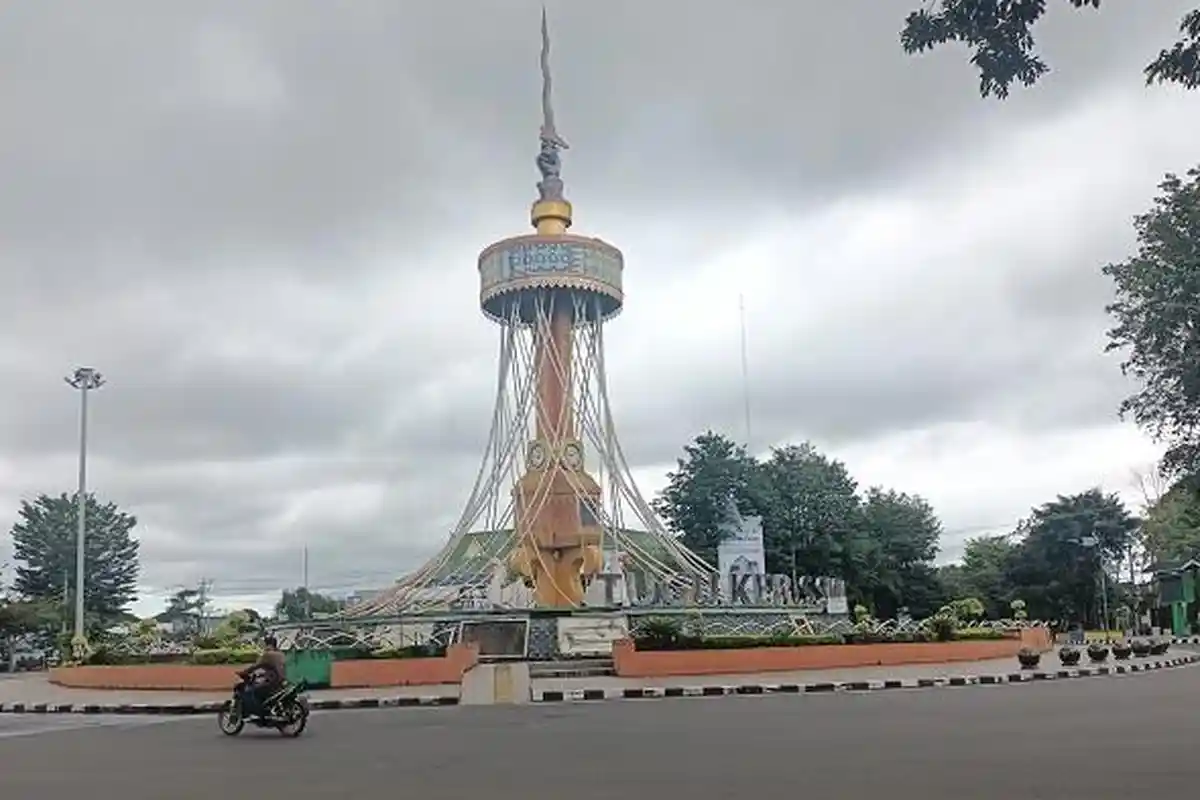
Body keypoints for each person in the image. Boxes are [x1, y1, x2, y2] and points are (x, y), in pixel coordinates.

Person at [238, 635, 286, 715]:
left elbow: (256, 666)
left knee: (251, 691)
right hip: (281, 681)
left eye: (265, 644)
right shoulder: (281, 654)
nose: (264, 646)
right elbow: (272, 668)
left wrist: (244, 672)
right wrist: (262, 674)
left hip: (272, 682)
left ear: (269, 644)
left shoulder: (267, 655)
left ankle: (259, 712)